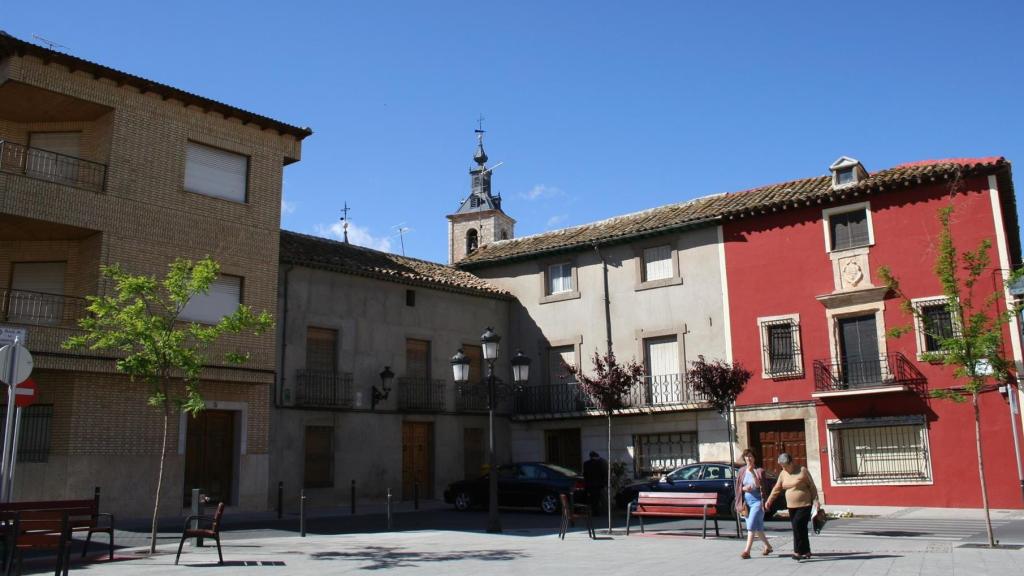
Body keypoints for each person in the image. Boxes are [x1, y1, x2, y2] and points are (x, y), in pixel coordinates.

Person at [765, 452, 820, 560]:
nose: (783, 468)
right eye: (781, 466)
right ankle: (806, 551)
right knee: (801, 528)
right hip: (791, 506)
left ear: (791, 463)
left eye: (785, 465)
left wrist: (816, 500)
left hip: (805, 504)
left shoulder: (802, 470)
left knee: (797, 525)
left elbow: (812, 487)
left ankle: (797, 552)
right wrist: (769, 500)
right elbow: (777, 488)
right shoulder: (783, 473)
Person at [734, 449, 772, 559]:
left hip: (758, 502)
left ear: (754, 458)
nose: (748, 459)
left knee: (750, 525)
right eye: (746, 457)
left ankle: (747, 551)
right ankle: (768, 546)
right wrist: (744, 488)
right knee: (758, 527)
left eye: (750, 456)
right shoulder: (741, 471)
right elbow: (738, 487)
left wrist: (752, 473)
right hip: (747, 502)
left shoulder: (759, 471)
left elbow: (761, 486)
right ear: (744, 458)